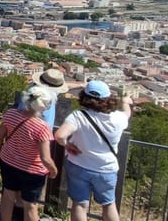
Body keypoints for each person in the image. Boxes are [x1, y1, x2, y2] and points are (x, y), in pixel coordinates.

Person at [54, 81, 132, 221]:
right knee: (109, 205)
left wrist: (67, 145)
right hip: (106, 168)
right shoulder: (118, 118)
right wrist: (126, 103)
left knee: (79, 204)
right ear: (108, 98)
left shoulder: (78, 116)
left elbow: (59, 136)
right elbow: (127, 113)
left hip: (79, 165)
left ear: (84, 97)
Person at [0, 86, 58, 221]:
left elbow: (0, 136)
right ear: (43, 106)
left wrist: (1, 149)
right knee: (30, 205)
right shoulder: (42, 128)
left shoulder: (10, 114)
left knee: (8, 195)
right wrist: (53, 170)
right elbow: (45, 158)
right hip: (32, 170)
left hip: (8, 161)